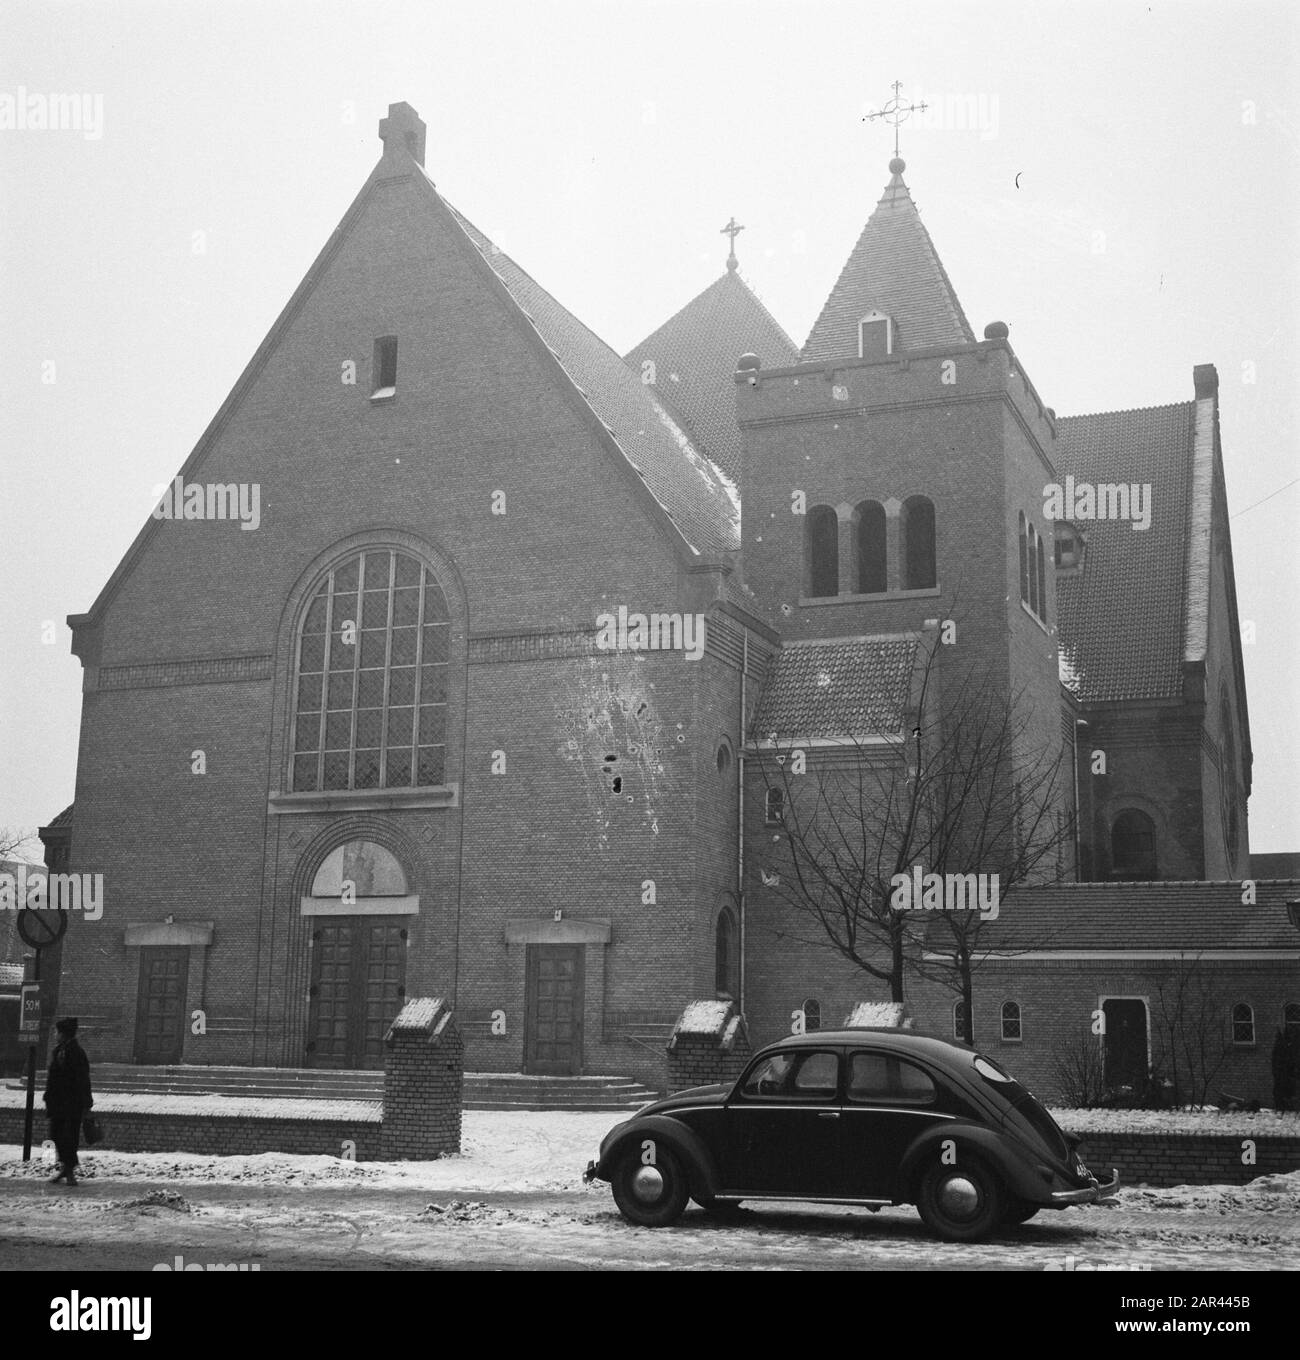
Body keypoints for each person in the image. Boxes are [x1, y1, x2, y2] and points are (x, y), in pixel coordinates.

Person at [44, 1017, 93, 1186]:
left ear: (64, 1034)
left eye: (57, 1032)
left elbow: (83, 1080)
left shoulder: (76, 1053)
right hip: (58, 1103)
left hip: (71, 1104)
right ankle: (66, 1166)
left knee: (69, 1137)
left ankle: (69, 1171)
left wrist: (86, 1103)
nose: (55, 1035)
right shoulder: (59, 1051)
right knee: (56, 1135)